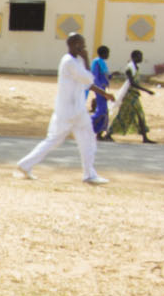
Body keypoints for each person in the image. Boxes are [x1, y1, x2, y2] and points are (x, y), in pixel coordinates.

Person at [16, 32, 113, 184]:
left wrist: (104, 94)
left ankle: (25, 164)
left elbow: (86, 83)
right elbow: (88, 77)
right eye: (83, 44)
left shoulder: (74, 61)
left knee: (54, 140)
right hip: (73, 111)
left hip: (69, 110)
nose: (85, 48)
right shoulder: (70, 62)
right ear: (76, 45)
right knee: (87, 140)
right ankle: (89, 174)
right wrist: (87, 58)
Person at [110, 48, 155, 142]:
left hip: (134, 95)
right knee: (126, 115)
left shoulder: (135, 68)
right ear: (134, 57)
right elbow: (132, 83)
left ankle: (145, 138)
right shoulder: (129, 68)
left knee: (138, 115)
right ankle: (108, 134)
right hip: (130, 96)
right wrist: (147, 90)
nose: (141, 58)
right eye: (139, 56)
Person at [90, 44, 112, 139]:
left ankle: (99, 133)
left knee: (104, 110)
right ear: (103, 53)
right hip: (100, 89)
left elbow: (106, 76)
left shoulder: (102, 63)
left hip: (103, 89)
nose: (108, 55)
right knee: (101, 110)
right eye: (107, 53)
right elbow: (94, 77)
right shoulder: (97, 62)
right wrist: (100, 89)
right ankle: (88, 126)